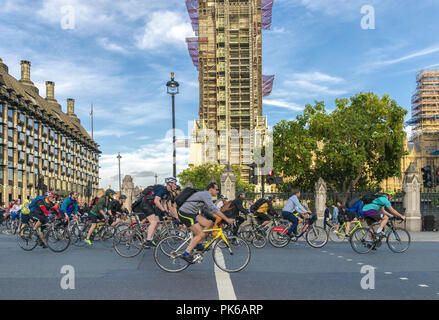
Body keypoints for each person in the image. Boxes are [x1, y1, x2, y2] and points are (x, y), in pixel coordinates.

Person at [177, 182, 235, 264]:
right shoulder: (206, 195)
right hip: (185, 213)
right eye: (216, 189)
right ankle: (186, 254)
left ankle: (198, 245)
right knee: (200, 234)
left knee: (209, 223)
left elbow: (208, 210)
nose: (218, 191)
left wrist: (218, 218)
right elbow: (214, 209)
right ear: (211, 189)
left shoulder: (206, 196)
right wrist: (226, 219)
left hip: (193, 213)